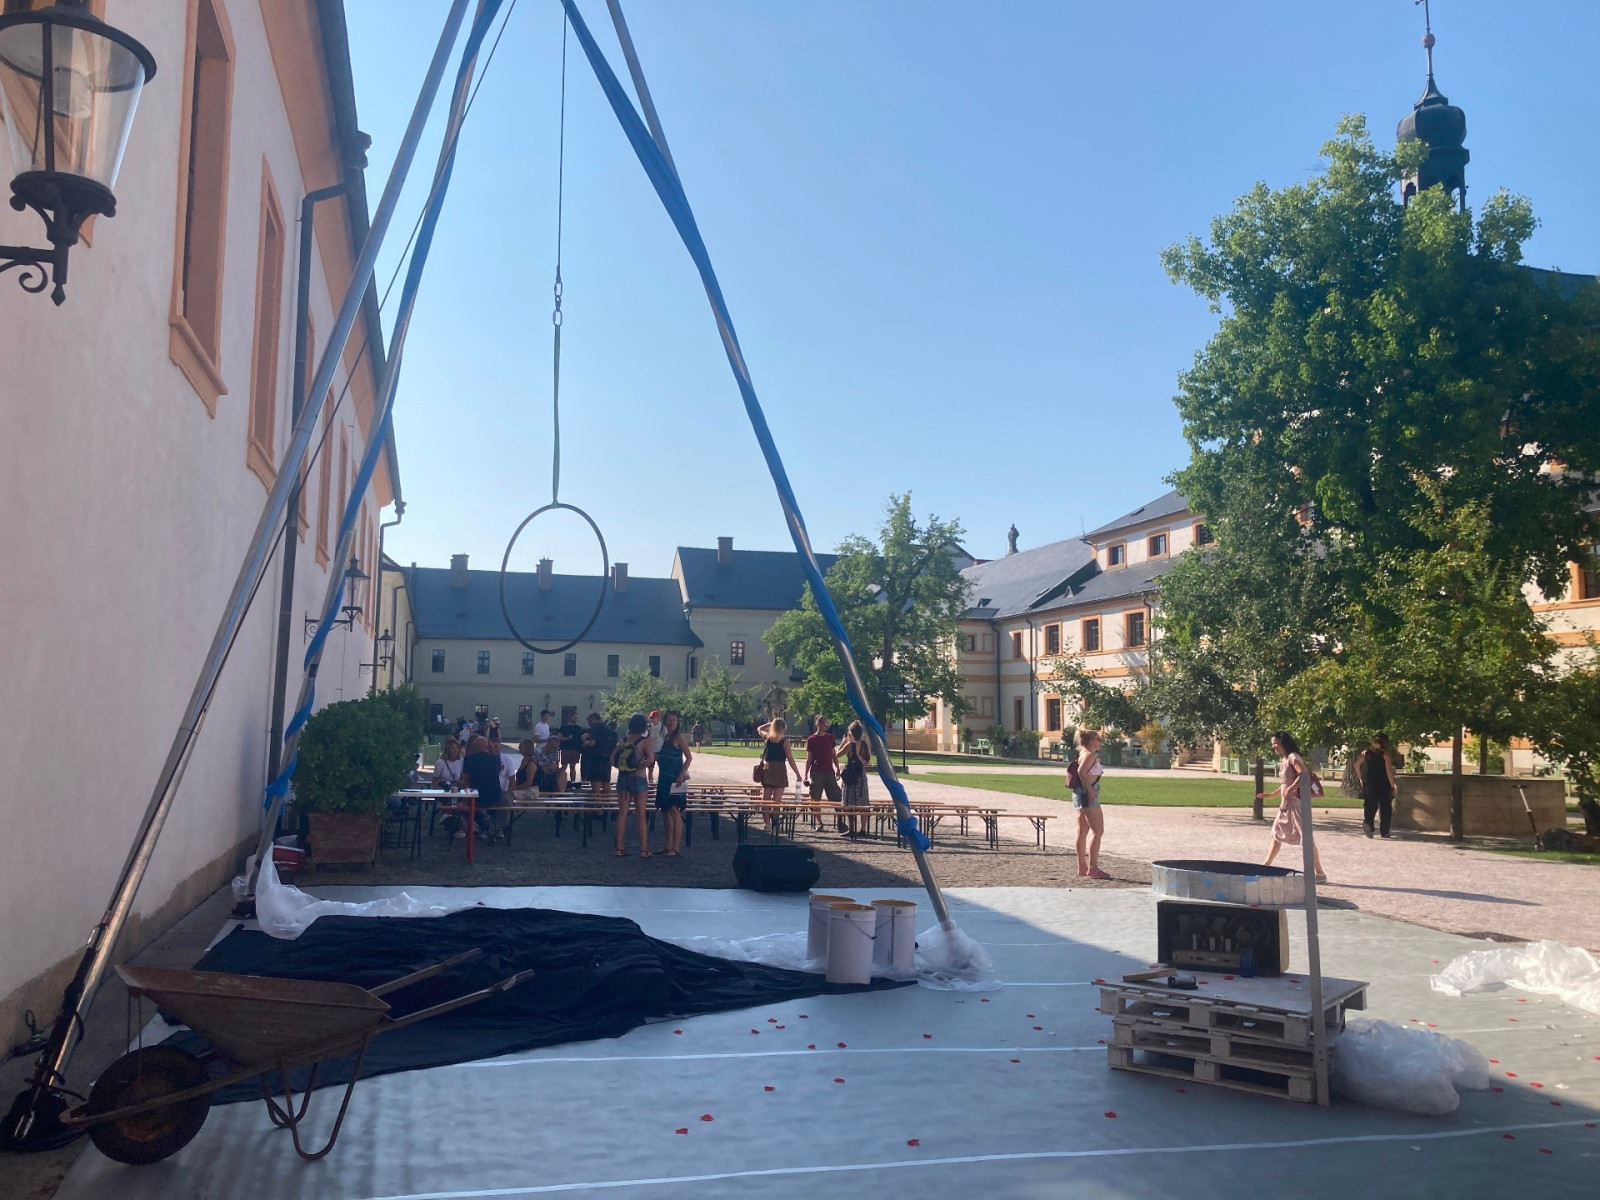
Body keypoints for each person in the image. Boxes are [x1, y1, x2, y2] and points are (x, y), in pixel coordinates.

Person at [1260, 731, 1327, 880]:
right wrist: (1272, 794)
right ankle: (1265, 866)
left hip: (1296, 804)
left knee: (1306, 837)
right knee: (1276, 834)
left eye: (1276, 743)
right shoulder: (1284, 759)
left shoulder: (1293, 757)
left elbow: (1303, 774)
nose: (1274, 747)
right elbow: (1285, 783)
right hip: (1286, 804)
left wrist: (1290, 790)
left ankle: (1319, 873)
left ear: (1283, 742)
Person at [612, 712, 656, 856]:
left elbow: (612, 760)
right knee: (641, 815)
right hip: (639, 779)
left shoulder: (623, 740)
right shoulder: (645, 741)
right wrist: (637, 768)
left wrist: (624, 768)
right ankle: (643, 849)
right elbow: (650, 760)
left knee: (622, 814)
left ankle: (619, 848)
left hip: (623, 778)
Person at [1069, 728, 1111, 879]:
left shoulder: (1083, 753)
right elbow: (1081, 772)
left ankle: (1082, 867)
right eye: (1098, 739)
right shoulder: (1089, 755)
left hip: (1080, 794)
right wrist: (1090, 790)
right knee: (1098, 831)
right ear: (1090, 741)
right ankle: (1093, 868)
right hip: (1087, 794)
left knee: (1082, 832)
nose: (1100, 742)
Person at [654, 710, 693, 857]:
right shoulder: (663, 737)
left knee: (675, 811)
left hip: (676, 779)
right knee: (665, 811)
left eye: (674, 720)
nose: (672, 723)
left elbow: (689, 757)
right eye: (669, 720)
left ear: (677, 722)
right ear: (665, 722)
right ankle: (668, 844)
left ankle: (676, 847)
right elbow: (660, 756)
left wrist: (681, 774)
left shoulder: (679, 738)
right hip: (664, 778)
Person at [458, 736, 505, 842]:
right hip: (495, 796)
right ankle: (493, 826)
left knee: (460, 804)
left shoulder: (469, 758)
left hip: (477, 796)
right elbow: (498, 772)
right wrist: (492, 749)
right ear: (487, 746)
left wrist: (464, 800)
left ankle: (482, 824)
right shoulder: (495, 759)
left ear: (474, 746)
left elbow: (466, 780)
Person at [1355, 733, 1398, 839]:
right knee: (1385, 808)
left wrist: (1361, 778)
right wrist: (1393, 785)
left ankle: (1368, 823)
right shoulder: (1386, 755)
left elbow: (1356, 764)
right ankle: (1384, 831)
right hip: (1383, 784)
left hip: (1369, 783)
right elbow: (1388, 771)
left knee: (1370, 806)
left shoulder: (1366, 753)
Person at [836, 720, 873, 837]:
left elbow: (837, 754)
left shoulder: (849, 745)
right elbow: (867, 762)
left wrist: (843, 742)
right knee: (863, 803)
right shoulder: (864, 745)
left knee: (848, 802)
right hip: (861, 775)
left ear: (851, 733)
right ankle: (863, 829)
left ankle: (852, 828)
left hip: (851, 776)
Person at [757, 718, 801, 806]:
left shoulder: (768, 738)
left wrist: (771, 723)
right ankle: (775, 815)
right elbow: (790, 759)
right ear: (783, 728)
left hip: (768, 767)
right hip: (780, 768)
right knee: (777, 801)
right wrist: (797, 774)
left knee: (766, 799)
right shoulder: (785, 742)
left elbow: (759, 729)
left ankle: (766, 815)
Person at [804, 715, 842, 806]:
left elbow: (833, 755)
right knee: (815, 797)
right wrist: (805, 774)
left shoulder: (830, 738)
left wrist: (837, 768)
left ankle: (839, 814)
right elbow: (809, 758)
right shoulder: (811, 740)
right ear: (818, 724)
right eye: (825, 723)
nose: (827, 725)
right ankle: (817, 815)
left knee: (836, 797)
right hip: (816, 772)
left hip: (829, 772)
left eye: (828, 724)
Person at [579, 712, 616, 797]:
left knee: (596, 787)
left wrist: (585, 743)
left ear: (593, 719)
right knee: (606, 784)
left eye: (589, 721)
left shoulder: (594, 728)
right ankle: (608, 803)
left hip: (596, 759)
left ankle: (598, 804)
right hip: (607, 758)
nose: (589, 724)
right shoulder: (610, 729)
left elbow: (592, 743)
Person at [558, 712, 584, 786]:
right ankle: (559, 780)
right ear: (570, 717)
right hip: (566, 749)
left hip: (575, 750)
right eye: (574, 717)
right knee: (564, 766)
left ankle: (573, 783)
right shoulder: (564, 727)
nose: (576, 719)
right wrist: (567, 738)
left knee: (573, 767)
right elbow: (559, 737)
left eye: (577, 718)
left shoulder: (579, 728)